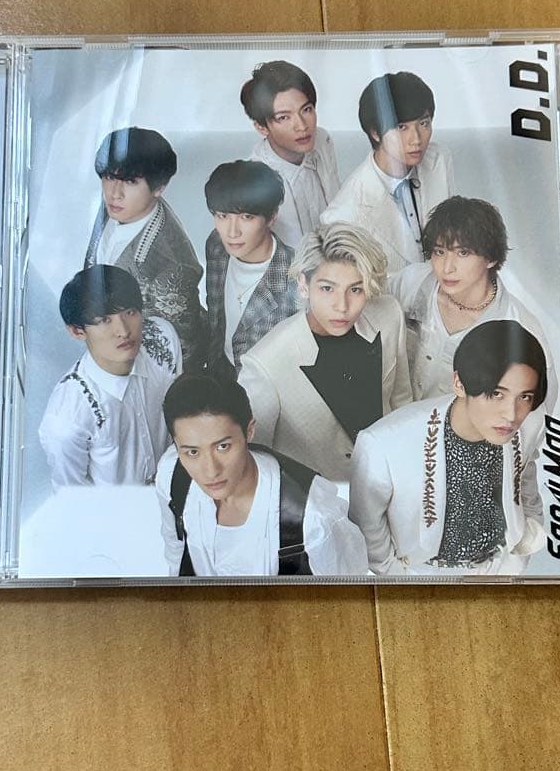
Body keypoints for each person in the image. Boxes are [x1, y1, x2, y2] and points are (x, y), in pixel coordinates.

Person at [349, 319, 548, 575]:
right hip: (423, 575)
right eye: (496, 394)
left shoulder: (531, 423)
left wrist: (521, 551)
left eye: (524, 397)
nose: (511, 414)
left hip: (501, 568)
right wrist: (402, 580)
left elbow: (525, 482)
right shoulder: (382, 444)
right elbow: (368, 533)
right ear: (459, 383)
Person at [237, 223, 413, 482]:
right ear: (303, 285)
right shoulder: (264, 365)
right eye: (327, 288)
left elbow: (402, 402)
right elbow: (256, 461)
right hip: (319, 496)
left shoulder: (389, 315)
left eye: (356, 289)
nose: (342, 306)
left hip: (393, 478)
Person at [155, 374, 368, 577]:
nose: (211, 471)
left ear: (249, 431)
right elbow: (175, 552)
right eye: (192, 452)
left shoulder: (315, 518)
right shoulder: (172, 475)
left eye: (223, 446)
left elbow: (347, 594)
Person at [389, 196, 556, 403]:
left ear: (491, 258)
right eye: (439, 252)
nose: (447, 267)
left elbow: (534, 411)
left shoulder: (519, 329)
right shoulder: (409, 283)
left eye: (463, 253)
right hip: (396, 419)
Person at [39, 265, 181, 490]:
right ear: (77, 331)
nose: (123, 331)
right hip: (116, 509)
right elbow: (72, 499)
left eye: (130, 312)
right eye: (104, 320)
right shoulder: (66, 419)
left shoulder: (163, 338)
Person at [84, 127, 208, 372]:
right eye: (108, 177)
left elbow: (180, 354)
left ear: (159, 187)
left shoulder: (172, 266)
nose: (114, 193)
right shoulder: (116, 205)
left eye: (130, 181)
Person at [320, 71, 454, 272]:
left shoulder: (439, 160)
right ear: (375, 133)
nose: (416, 139)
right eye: (401, 127)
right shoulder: (343, 215)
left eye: (423, 123)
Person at [204, 160, 300, 378]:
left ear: (272, 217)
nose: (232, 232)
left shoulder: (295, 277)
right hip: (222, 375)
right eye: (223, 216)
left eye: (246, 217)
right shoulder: (216, 246)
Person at [241, 60, 341, 249]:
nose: (302, 126)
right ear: (261, 127)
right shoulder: (253, 181)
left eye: (306, 110)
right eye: (284, 117)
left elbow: (337, 204)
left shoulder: (322, 140)